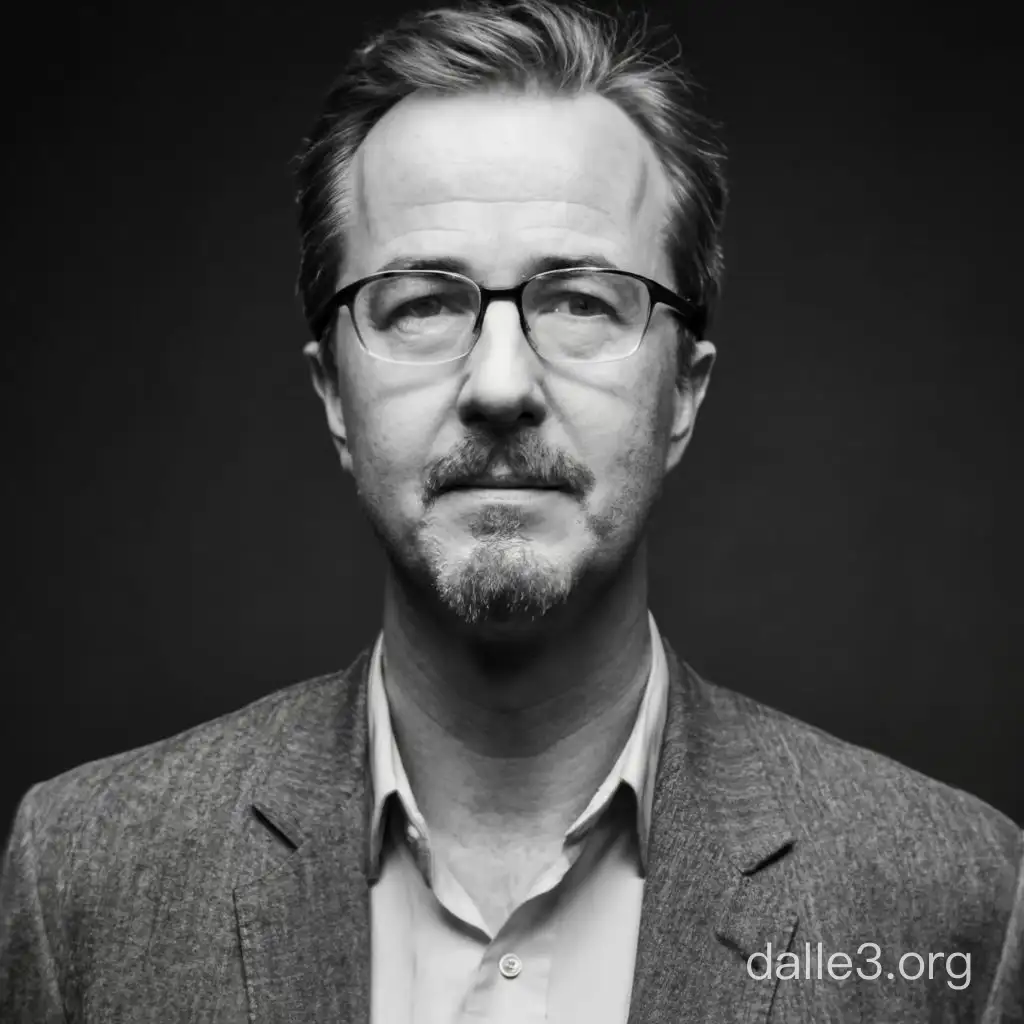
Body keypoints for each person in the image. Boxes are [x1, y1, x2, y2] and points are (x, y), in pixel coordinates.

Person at [2, 0, 1021, 1020]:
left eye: (580, 299)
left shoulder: (952, 903)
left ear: (683, 393)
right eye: (421, 302)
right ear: (332, 398)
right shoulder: (81, 880)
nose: (499, 385)